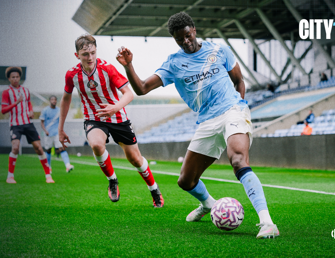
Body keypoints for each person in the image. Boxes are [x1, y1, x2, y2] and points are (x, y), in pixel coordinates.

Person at [116, 12, 278, 238]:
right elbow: (142, 88)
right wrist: (129, 66)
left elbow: (239, 80)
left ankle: (267, 223)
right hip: (207, 120)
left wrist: (241, 105)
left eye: (187, 36)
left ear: (194, 30)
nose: (185, 42)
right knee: (186, 180)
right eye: (179, 39)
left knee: (239, 160)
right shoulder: (173, 63)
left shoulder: (219, 50)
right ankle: (209, 204)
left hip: (232, 110)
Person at [58, 34, 164, 208]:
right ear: (77, 55)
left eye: (92, 52)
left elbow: (129, 94)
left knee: (135, 159)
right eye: (85, 54)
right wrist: (60, 128)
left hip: (118, 118)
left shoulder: (107, 69)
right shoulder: (72, 75)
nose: (90, 57)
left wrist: (114, 108)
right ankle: (112, 180)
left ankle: (154, 189)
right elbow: (66, 99)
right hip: (94, 119)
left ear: (96, 51)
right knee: (97, 145)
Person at [1, 66, 54, 184]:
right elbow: (3, 110)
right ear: (9, 79)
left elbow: (28, 103)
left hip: (28, 123)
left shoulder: (25, 91)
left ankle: (48, 176)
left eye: (17, 77)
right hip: (15, 124)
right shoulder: (6, 93)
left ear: (20, 77)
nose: (15, 79)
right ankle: (10, 176)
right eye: (13, 77)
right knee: (15, 147)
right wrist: (16, 102)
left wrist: (31, 111)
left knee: (39, 148)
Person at [40, 95, 74, 173]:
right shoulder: (45, 110)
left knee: (61, 148)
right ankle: (48, 167)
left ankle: (68, 165)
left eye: (55, 100)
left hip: (57, 133)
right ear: (50, 101)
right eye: (52, 99)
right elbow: (42, 122)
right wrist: (45, 131)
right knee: (48, 150)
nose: (54, 101)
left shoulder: (59, 110)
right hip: (48, 133)